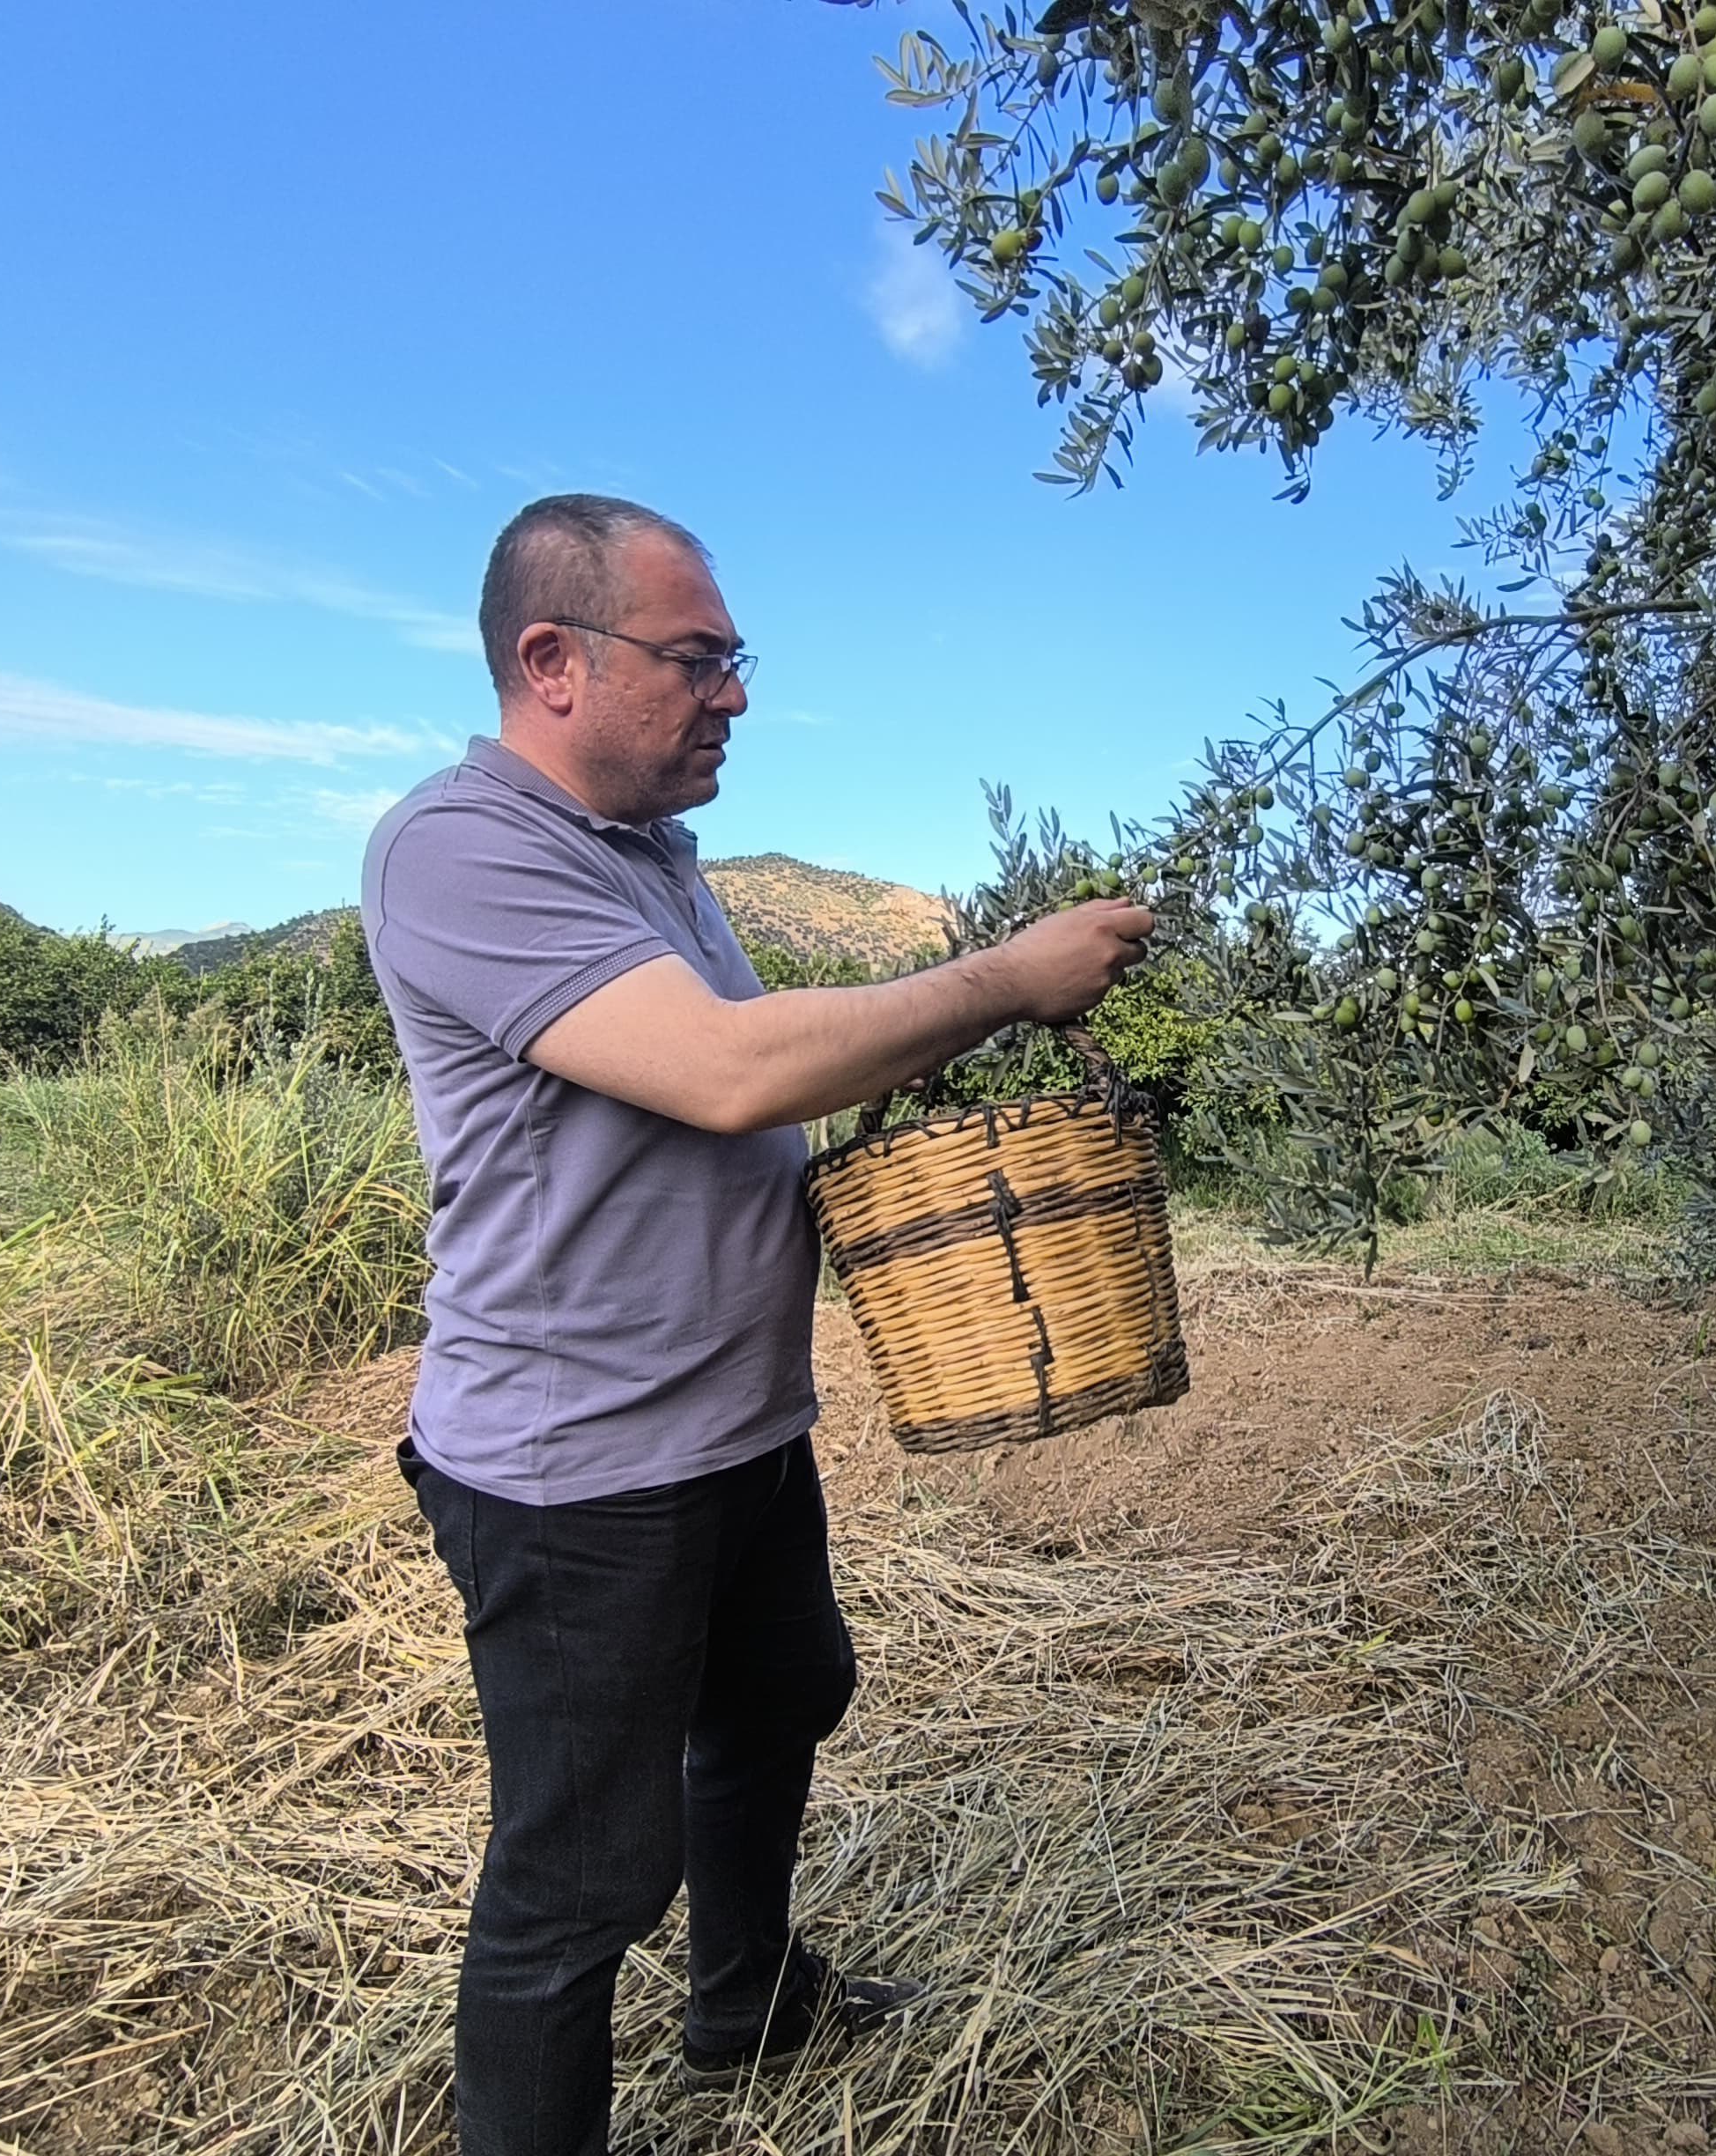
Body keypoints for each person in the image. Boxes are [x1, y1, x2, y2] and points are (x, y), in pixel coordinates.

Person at [361, 494, 1153, 2156]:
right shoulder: (459, 846)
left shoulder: (658, 863)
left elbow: (758, 1075)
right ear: (551, 660)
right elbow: (730, 1074)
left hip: (734, 1422)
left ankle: (746, 2001)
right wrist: (1005, 981)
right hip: (576, 1466)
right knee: (579, 1880)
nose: (734, 693)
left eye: (737, 660)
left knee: (786, 1692)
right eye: (698, 658)